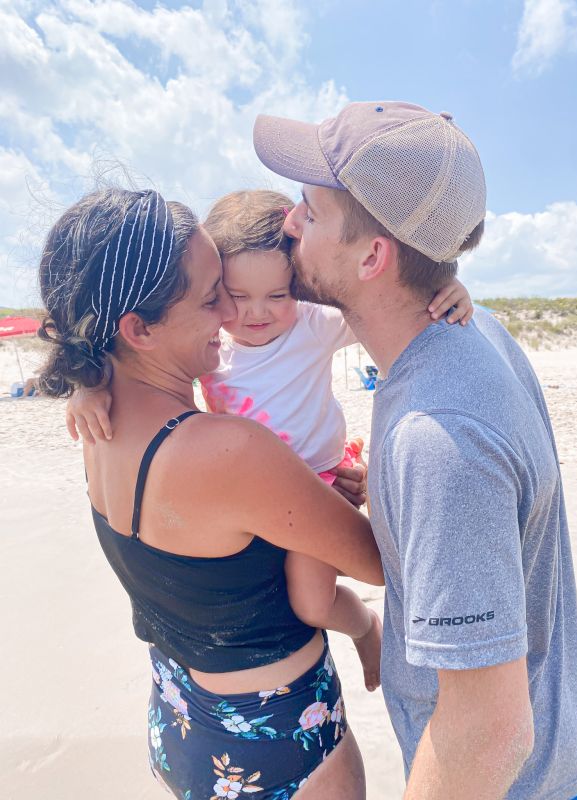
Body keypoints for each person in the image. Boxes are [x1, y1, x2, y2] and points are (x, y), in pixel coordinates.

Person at [252, 101, 577, 799]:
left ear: (373, 256)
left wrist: (418, 479)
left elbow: (491, 734)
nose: (289, 222)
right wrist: (389, 494)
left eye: (311, 213)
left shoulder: (438, 439)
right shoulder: (475, 332)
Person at [37, 187, 385, 799]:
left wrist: (83, 385)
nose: (231, 315)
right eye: (211, 296)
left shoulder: (98, 423)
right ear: (138, 327)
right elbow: (380, 563)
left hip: (178, 719)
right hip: (277, 744)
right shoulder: (230, 451)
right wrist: (359, 495)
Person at [65, 187, 475, 693]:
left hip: (319, 479)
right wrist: (86, 386)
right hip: (267, 507)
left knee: (311, 601)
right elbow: (379, 564)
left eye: (277, 295)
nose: (248, 313)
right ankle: (367, 625)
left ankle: (365, 628)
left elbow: (389, 301)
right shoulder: (217, 358)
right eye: (225, 295)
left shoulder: (307, 327)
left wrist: (446, 285)